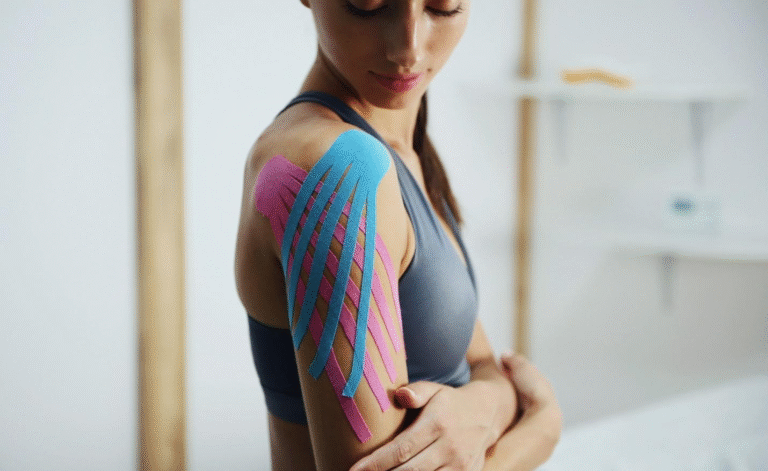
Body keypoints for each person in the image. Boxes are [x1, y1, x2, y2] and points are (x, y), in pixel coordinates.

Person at [234, 0, 562, 469]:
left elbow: (484, 366)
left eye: (443, 7)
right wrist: (539, 433)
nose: (408, 48)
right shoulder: (335, 169)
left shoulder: (397, 145)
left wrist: (484, 408)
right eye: (367, 5)